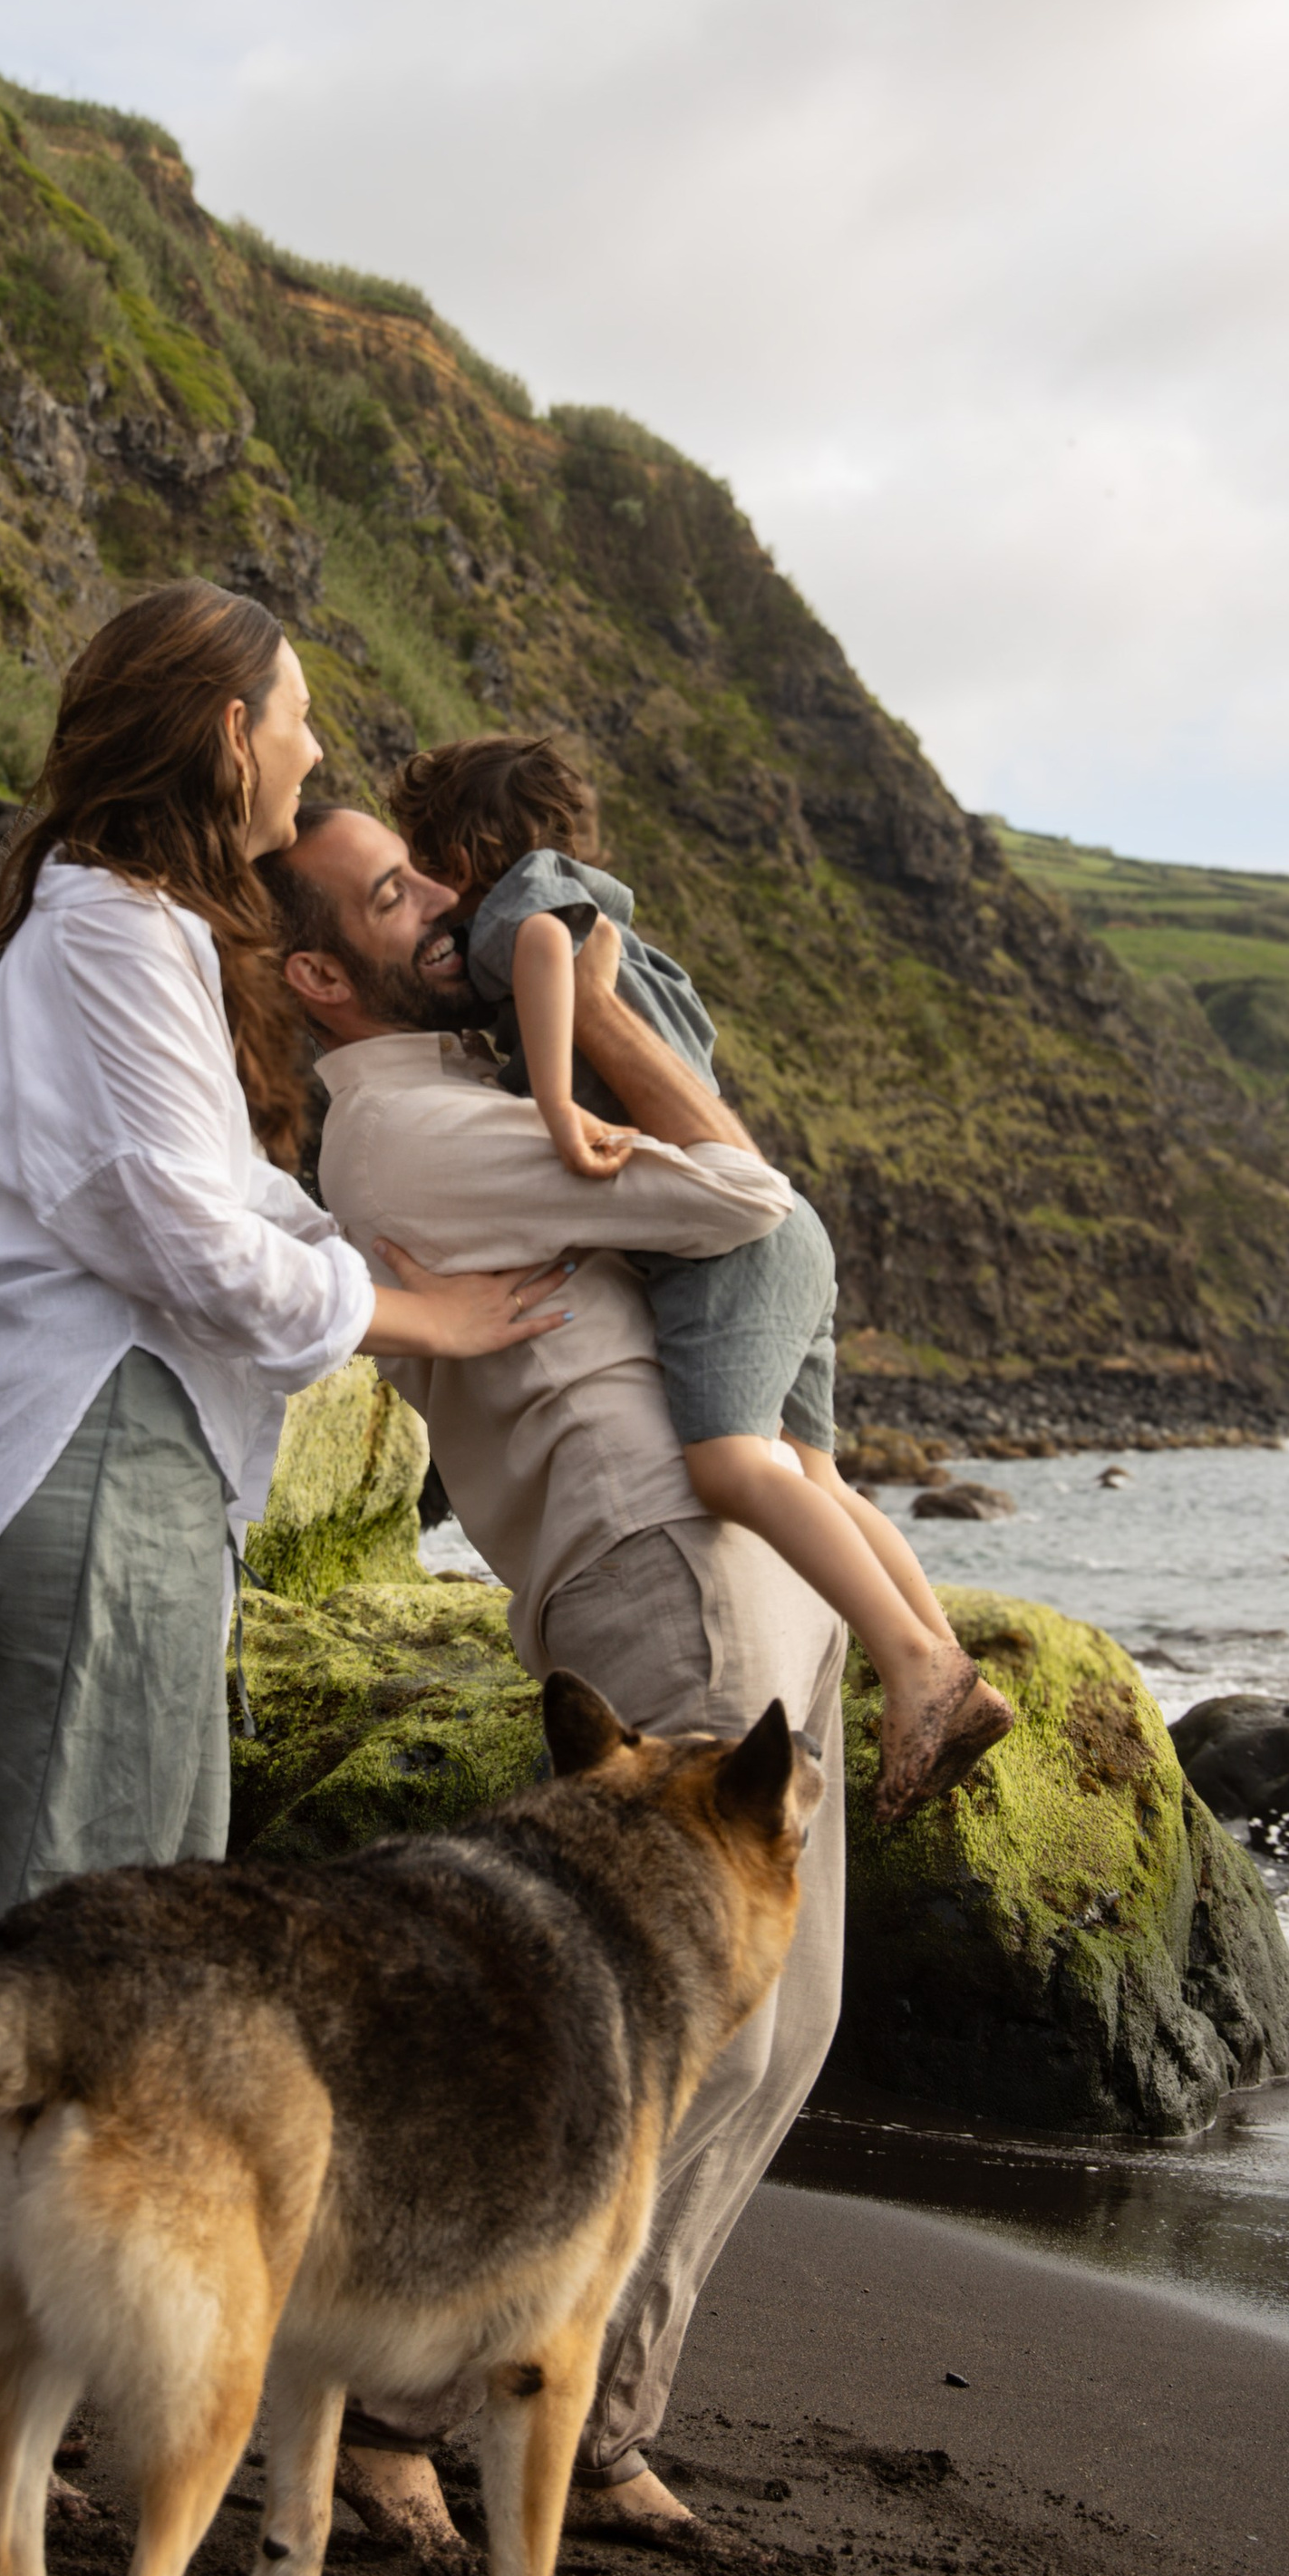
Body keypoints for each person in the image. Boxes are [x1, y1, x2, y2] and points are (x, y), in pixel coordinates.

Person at [0, 586, 569, 2507]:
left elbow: (220, 1220)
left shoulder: (122, 942)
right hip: (80, 1459)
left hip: (124, 1466)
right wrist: (421, 1316)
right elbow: (194, 1246)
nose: (312, 753)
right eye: (293, 717)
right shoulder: (114, 941)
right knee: (26, 1918)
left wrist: (333, 1264)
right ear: (224, 731)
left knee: (101, 1920)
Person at [264, 798, 845, 2563]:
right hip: (650, 1558)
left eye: (434, 873)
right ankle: (400, 2412)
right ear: (315, 975)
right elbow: (742, 1192)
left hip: (748, 1549)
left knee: (780, 2027)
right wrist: (593, 1029)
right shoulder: (409, 1139)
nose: (446, 898)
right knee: (665, 2044)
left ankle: (590, 2414)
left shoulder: (469, 1094)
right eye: (394, 893)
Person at [387, 731, 1012, 1824]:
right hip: (787, 1234)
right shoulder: (614, 919)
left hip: (729, 1246)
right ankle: (950, 1666)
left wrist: (551, 1108)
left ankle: (915, 1666)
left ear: (473, 845)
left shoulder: (521, 905)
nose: (428, 891)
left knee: (729, 1468)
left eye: (425, 860)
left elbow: (538, 949)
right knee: (811, 1481)